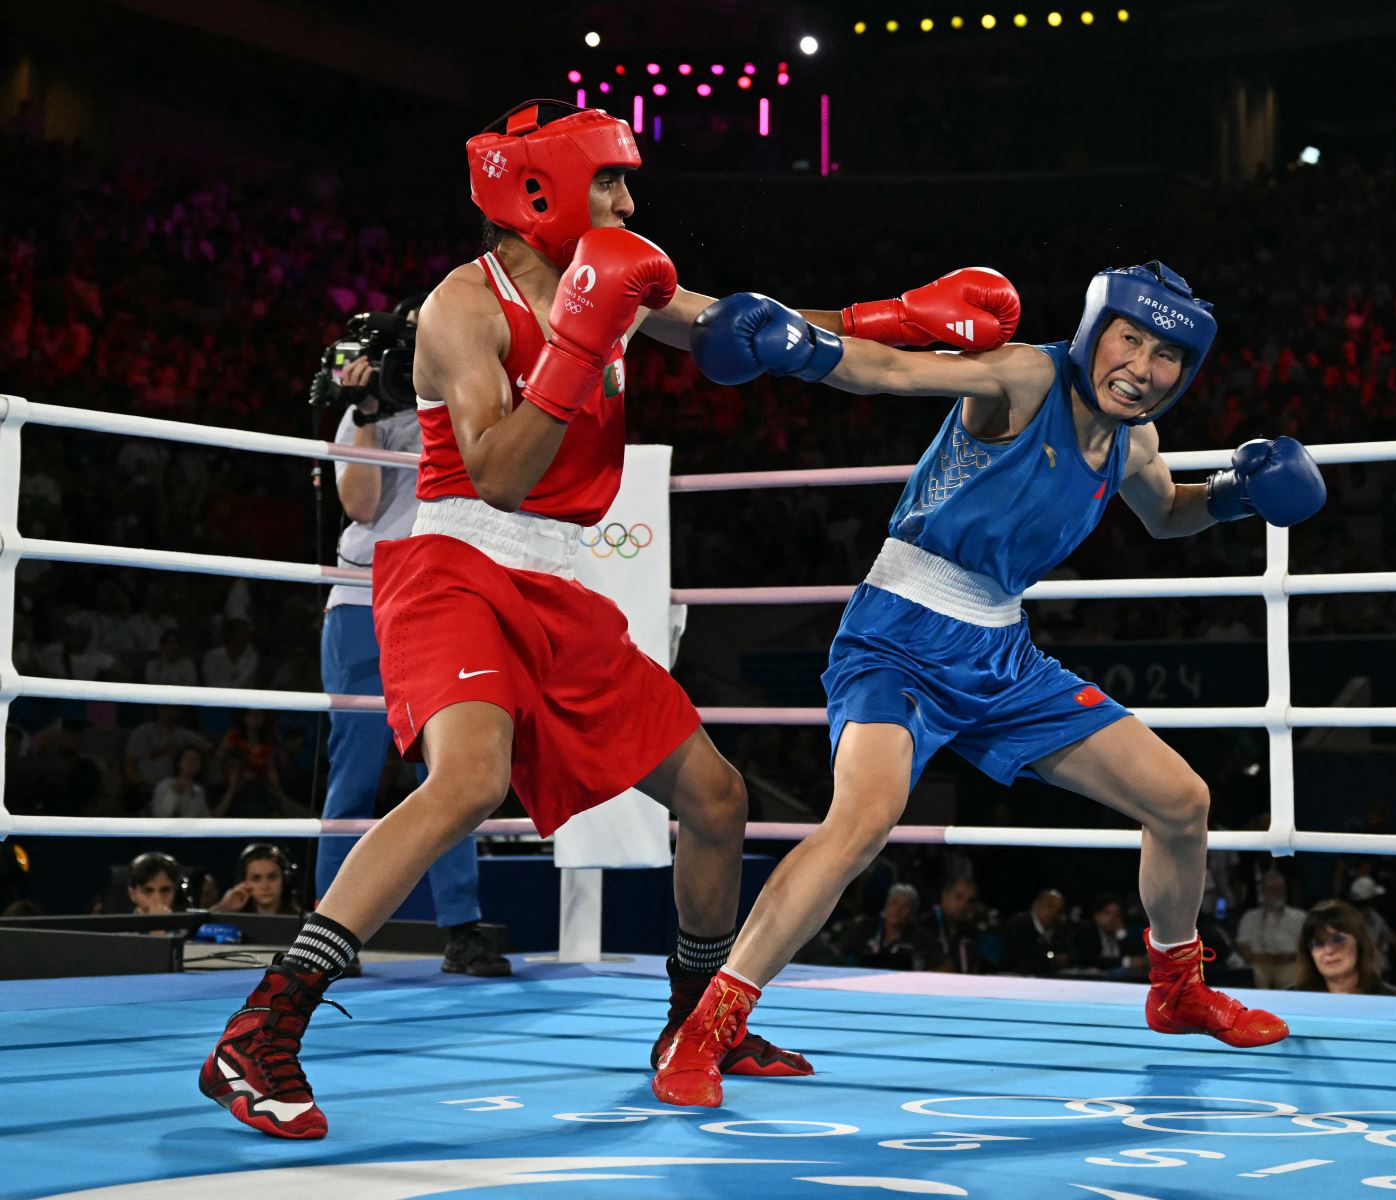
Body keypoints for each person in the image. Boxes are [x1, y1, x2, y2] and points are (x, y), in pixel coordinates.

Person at [200, 98, 1018, 1140]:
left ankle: (695, 1023)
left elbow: (748, 329)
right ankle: (263, 1029)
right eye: (610, 184)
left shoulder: (625, 275)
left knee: (718, 799)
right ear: (537, 192)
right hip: (452, 560)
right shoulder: (464, 306)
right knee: (468, 779)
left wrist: (900, 316)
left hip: (558, 579)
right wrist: (580, 341)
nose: (628, 202)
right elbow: (497, 476)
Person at [655, 261, 1325, 1106]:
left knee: (1181, 801)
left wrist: (1236, 495)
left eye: (1166, 356)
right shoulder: (1027, 375)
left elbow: (1164, 513)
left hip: (1001, 652)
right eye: (1130, 338)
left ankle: (1177, 989)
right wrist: (803, 350)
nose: (1142, 367)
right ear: (1094, 333)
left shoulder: (1133, 440)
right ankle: (707, 1027)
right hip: (897, 633)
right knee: (861, 821)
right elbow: (895, 369)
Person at [316, 312, 506, 979]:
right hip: (363, 601)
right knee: (356, 774)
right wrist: (364, 410)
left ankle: (461, 928)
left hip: (439, 603)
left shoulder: (469, 404)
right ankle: (330, 934)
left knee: (452, 774)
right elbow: (362, 506)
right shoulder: (360, 421)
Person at [1291, 900, 1396, 997]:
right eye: (1318, 943)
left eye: (1338, 939)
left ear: (1359, 944)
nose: (1329, 950)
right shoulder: (1291, 1001)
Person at [1235, 871, 1306, 990]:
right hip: (1259, 965)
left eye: (1279, 889)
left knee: (1293, 978)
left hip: (1289, 964)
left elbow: (1304, 946)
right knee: (1254, 976)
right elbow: (1243, 947)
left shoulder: (1300, 916)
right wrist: (1269, 959)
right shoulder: (1249, 917)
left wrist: (1285, 958)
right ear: (1262, 892)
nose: (1276, 893)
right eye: (1271, 889)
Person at [833, 882, 921, 970]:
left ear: (911, 912)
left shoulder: (919, 937)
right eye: (894, 903)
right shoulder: (865, 927)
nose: (898, 910)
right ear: (887, 905)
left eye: (905, 907)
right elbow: (838, 950)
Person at [915, 873, 983, 974]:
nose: (963, 905)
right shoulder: (923, 926)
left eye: (969, 901)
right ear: (945, 896)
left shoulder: (971, 932)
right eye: (958, 897)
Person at [1001, 888, 1077, 977]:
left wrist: (1067, 958)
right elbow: (1023, 961)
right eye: (1051, 906)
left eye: (1059, 910)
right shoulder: (1019, 926)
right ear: (1036, 905)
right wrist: (1052, 960)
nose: (1055, 913)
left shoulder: (1059, 928)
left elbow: (1072, 953)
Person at [212, 844, 303, 917]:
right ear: (244, 882)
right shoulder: (232, 921)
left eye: (272, 877)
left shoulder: (305, 923)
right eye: (256, 878)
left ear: (286, 880)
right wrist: (223, 908)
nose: (265, 886)